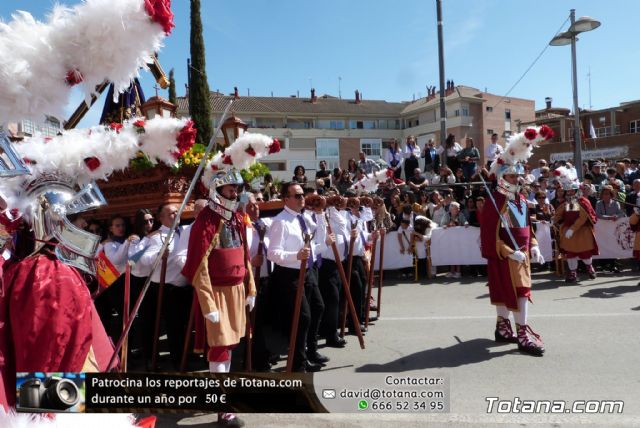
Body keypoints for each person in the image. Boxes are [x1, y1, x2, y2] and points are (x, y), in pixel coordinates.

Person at [480, 126, 551, 357]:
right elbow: (490, 234)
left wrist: (534, 246)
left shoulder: (520, 199)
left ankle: (503, 327)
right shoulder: (494, 201)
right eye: (511, 175)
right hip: (506, 255)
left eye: (517, 175)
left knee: (520, 290)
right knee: (516, 291)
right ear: (502, 177)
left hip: (522, 254)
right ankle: (521, 333)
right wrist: (509, 252)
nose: (516, 178)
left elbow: (525, 227)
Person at [268, 183, 333, 370]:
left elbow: (318, 237)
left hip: (308, 270)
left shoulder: (303, 218)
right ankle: (299, 362)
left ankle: (310, 352)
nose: (302, 198)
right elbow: (273, 253)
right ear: (286, 199)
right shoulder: (281, 221)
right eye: (297, 195)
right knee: (302, 317)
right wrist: (294, 256)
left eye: (302, 195)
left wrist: (320, 214)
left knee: (318, 307)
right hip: (290, 274)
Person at [553, 166, 599, 283]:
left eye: (572, 190)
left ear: (576, 190)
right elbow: (559, 213)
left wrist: (573, 229)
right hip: (568, 232)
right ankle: (572, 273)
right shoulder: (566, 203)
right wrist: (552, 221)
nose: (569, 193)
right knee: (570, 254)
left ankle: (590, 268)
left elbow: (583, 217)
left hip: (582, 231)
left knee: (585, 252)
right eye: (567, 191)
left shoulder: (583, 201)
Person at [595, 185, 624, 273]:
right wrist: (609, 218)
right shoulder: (599, 203)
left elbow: (621, 214)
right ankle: (603, 265)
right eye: (604, 194)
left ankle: (613, 264)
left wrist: (616, 216)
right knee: (603, 245)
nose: (606, 196)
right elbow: (598, 215)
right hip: (602, 229)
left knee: (613, 245)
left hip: (613, 230)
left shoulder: (616, 203)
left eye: (607, 194)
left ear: (611, 195)